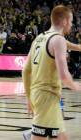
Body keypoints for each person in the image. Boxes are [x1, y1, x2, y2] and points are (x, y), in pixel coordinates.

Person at [22, 5, 81, 140]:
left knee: (62, 137)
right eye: (71, 21)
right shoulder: (58, 40)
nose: (72, 25)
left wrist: (29, 98)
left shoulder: (40, 38)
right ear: (65, 21)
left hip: (41, 96)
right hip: (47, 97)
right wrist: (76, 86)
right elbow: (64, 76)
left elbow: (25, 70)